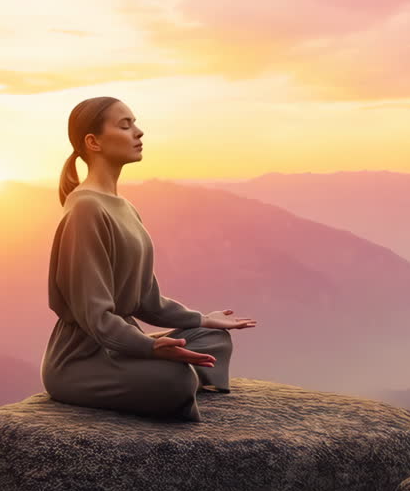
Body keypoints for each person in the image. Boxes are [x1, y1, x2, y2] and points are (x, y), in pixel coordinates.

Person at [41, 96, 257, 422]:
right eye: (125, 125)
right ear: (92, 142)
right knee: (176, 380)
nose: (138, 133)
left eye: (135, 124)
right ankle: (174, 376)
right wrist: (151, 349)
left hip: (121, 346)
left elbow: (146, 299)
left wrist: (201, 319)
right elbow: (95, 317)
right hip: (82, 360)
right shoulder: (86, 208)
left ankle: (168, 370)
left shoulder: (125, 208)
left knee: (213, 340)